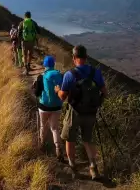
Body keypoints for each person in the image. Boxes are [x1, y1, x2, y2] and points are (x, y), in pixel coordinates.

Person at [54, 45, 108, 180]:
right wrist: (97, 103)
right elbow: (105, 92)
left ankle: (73, 168)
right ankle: (93, 168)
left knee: (70, 139)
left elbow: (62, 96)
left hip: (75, 112)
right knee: (88, 140)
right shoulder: (96, 73)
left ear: (74, 58)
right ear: (86, 57)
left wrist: (57, 90)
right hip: (91, 112)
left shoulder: (70, 75)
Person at [33, 56, 64, 160]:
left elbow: (36, 93)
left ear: (44, 65)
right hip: (57, 106)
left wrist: (35, 87)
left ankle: (42, 144)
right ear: (53, 64)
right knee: (54, 128)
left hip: (44, 106)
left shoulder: (41, 76)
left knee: (43, 126)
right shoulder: (60, 75)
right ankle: (58, 149)